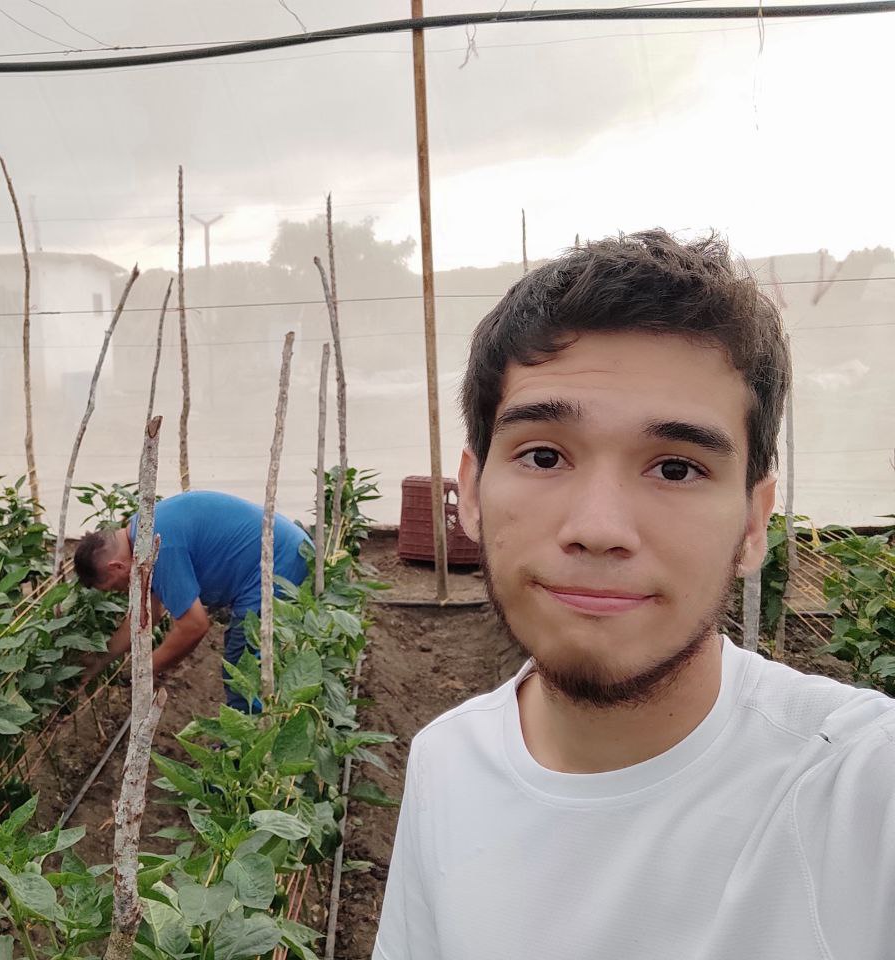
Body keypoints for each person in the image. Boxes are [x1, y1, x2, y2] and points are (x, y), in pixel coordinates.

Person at [374, 231, 895, 959]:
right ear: (471, 494)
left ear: (753, 522)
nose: (598, 529)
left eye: (676, 468)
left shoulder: (860, 785)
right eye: (545, 455)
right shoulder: (446, 761)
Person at [74, 490, 311, 711]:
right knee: (257, 658)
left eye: (114, 586)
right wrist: (99, 661)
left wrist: (146, 670)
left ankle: (246, 748)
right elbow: (147, 615)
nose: (122, 591)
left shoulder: (161, 546)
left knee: (242, 665)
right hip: (285, 549)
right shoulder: (142, 533)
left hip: (282, 561)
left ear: (116, 566)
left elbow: (194, 626)